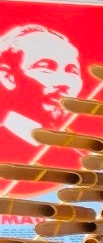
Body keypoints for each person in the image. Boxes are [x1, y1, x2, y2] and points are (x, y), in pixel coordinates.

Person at [0, 22, 85, 163]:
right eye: (45, 68)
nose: (63, 82)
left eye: (72, 71)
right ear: (8, 76)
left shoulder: (81, 158)